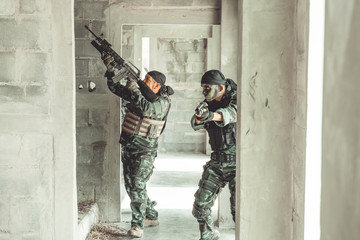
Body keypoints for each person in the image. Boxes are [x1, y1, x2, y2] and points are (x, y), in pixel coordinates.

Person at [102, 55, 174, 238]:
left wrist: (134, 87)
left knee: (137, 186)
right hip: (130, 147)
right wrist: (111, 70)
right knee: (132, 185)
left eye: (148, 81)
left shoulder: (162, 102)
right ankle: (150, 214)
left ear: (157, 86)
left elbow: (146, 109)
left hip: (145, 152)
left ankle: (137, 225)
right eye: (145, 79)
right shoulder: (139, 94)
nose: (144, 82)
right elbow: (114, 87)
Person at [191, 69, 237, 240]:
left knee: (238, 211)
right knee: (200, 207)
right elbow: (195, 124)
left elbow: (231, 113)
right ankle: (209, 235)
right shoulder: (208, 102)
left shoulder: (236, 98)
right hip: (217, 163)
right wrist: (199, 117)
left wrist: (211, 116)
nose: (204, 92)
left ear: (220, 87)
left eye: (207, 88)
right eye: (203, 88)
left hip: (237, 164)